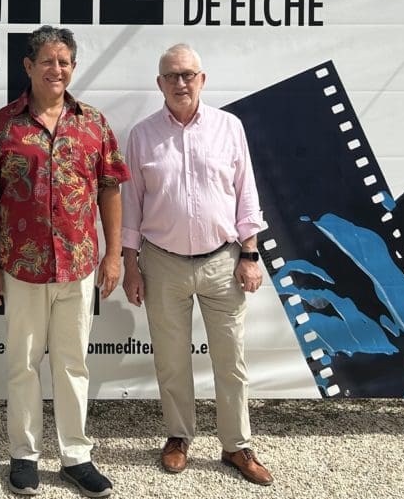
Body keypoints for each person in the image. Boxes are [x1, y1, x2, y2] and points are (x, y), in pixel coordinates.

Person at [0, 25, 130, 499]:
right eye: (47, 60)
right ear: (28, 66)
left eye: (64, 61)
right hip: (20, 267)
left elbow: (110, 190)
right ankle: (24, 456)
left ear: (73, 67)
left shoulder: (93, 124)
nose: (55, 69)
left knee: (72, 363)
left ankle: (76, 456)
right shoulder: (2, 126)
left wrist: (114, 255)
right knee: (22, 364)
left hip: (78, 266)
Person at [120, 43, 274, 487]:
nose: (180, 83)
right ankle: (178, 436)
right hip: (162, 263)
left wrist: (250, 255)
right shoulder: (142, 135)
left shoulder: (230, 127)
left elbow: (246, 193)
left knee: (231, 360)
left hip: (223, 262)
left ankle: (236, 445)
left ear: (202, 79)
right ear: (159, 84)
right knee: (171, 359)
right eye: (171, 76)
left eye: (188, 74)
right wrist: (131, 266)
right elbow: (132, 205)